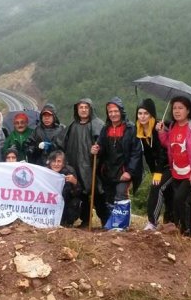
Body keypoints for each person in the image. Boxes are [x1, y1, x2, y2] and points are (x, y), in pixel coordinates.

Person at [91, 97, 143, 227]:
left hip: (123, 170)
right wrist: (96, 149)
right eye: (110, 112)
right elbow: (101, 147)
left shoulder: (131, 129)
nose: (113, 114)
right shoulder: (105, 128)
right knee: (109, 198)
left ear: (121, 111)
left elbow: (136, 152)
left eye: (116, 111)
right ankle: (110, 224)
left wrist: (130, 172)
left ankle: (120, 226)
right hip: (108, 170)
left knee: (121, 195)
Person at [156, 96, 191, 236]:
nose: (177, 111)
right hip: (176, 171)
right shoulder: (173, 126)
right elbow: (169, 145)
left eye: (180, 108)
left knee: (179, 199)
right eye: (174, 108)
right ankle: (189, 233)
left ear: (188, 110)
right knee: (185, 201)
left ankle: (184, 232)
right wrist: (161, 132)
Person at [63, 98, 104, 228]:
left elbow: (103, 144)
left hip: (93, 166)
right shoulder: (73, 126)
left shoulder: (97, 124)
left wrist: (98, 151)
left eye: (86, 107)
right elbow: (65, 144)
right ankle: (86, 220)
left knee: (97, 193)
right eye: (81, 107)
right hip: (76, 165)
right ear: (77, 109)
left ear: (90, 109)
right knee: (81, 193)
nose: (84, 110)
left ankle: (106, 220)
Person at [134, 99, 170, 231]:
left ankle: (152, 222)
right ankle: (169, 222)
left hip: (170, 165)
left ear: (151, 115)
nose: (142, 116)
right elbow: (148, 156)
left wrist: (158, 173)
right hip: (159, 168)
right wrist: (154, 171)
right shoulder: (140, 131)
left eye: (146, 113)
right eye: (140, 113)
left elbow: (163, 153)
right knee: (166, 192)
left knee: (156, 187)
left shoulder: (159, 127)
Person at [46, 151, 82, 227]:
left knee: (75, 202)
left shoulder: (70, 172)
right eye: (53, 161)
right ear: (49, 162)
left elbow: (78, 193)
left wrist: (75, 183)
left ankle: (67, 222)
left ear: (63, 163)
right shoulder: (45, 172)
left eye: (59, 161)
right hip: (49, 203)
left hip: (65, 204)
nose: (56, 164)